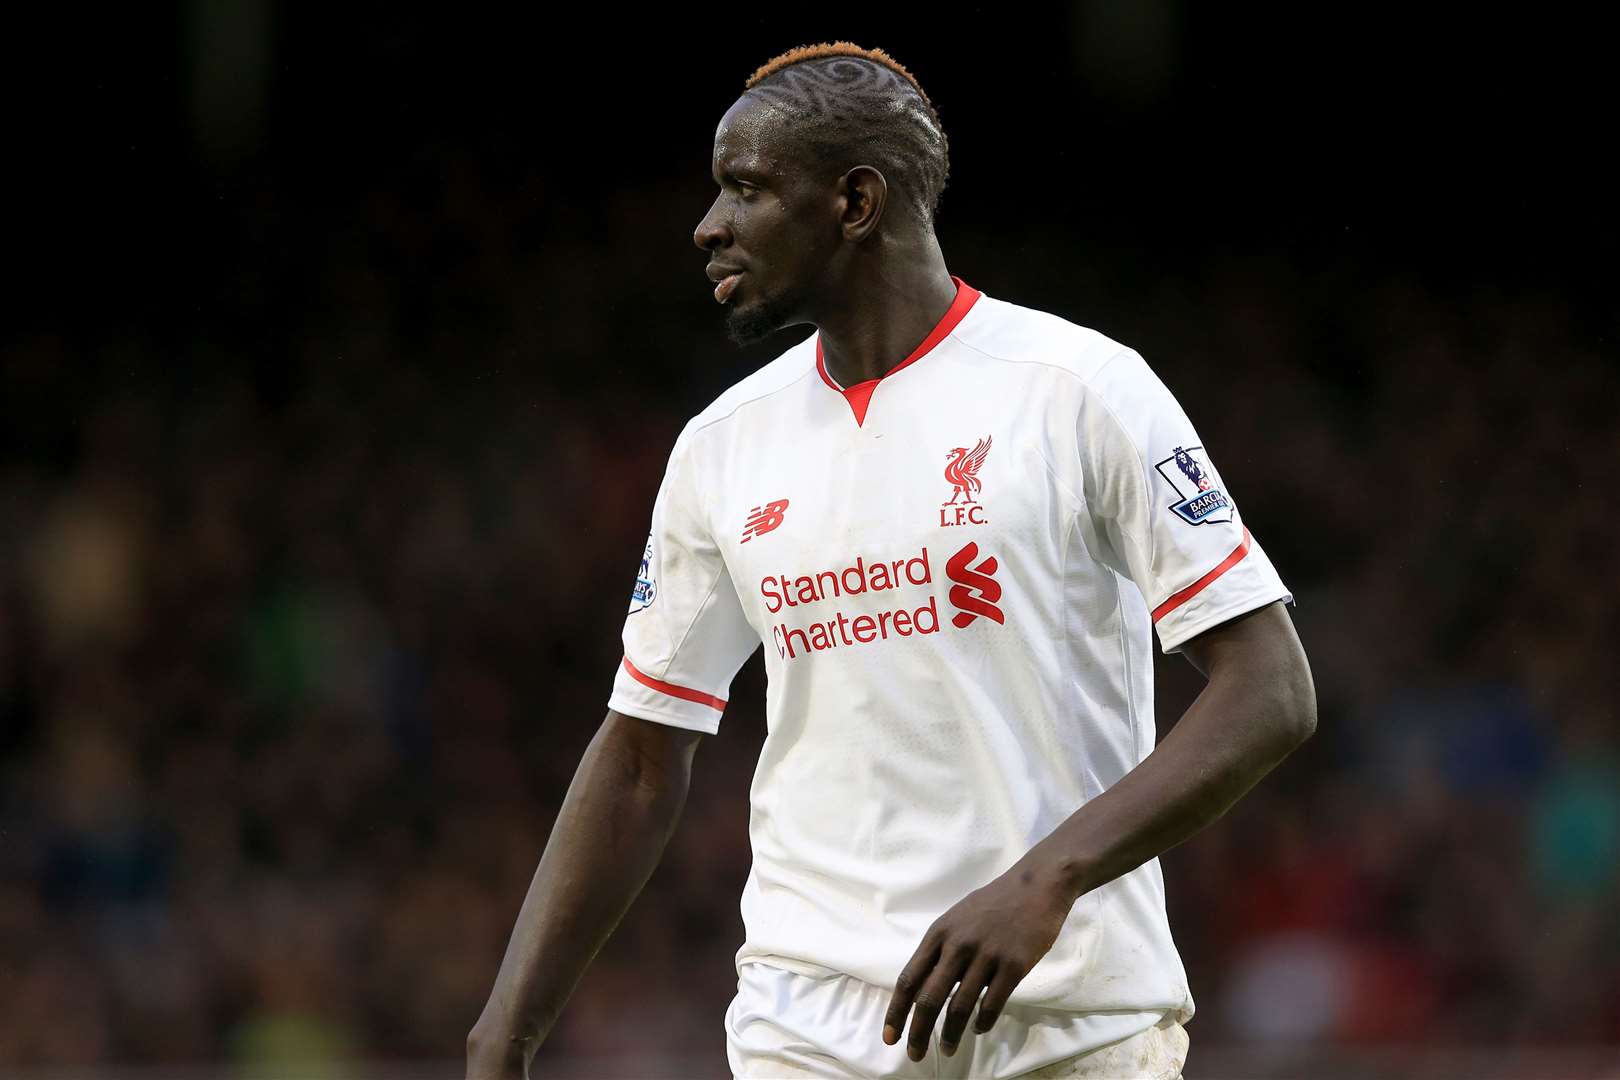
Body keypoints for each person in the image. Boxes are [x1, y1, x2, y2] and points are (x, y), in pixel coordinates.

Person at [466, 42, 1316, 1080]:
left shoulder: (1079, 390)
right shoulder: (725, 443)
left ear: (855, 202)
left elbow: (1271, 687)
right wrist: (502, 1034)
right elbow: (643, 756)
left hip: (1070, 1021)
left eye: (746, 187)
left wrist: (1045, 880)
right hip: (809, 1028)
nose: (708, 223)